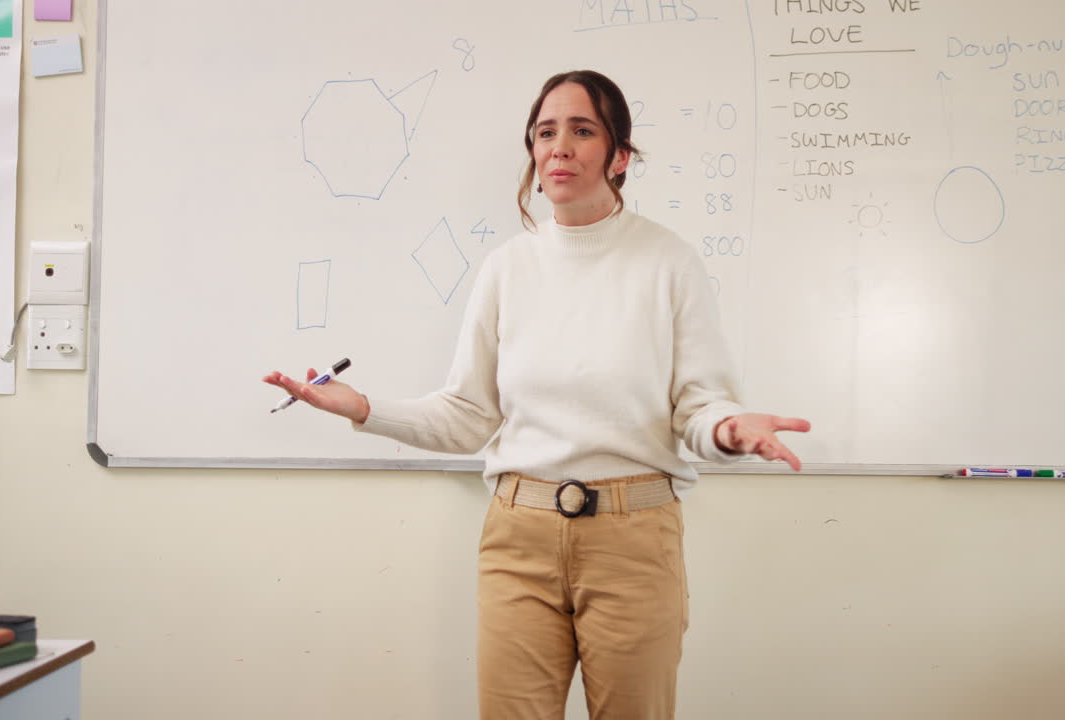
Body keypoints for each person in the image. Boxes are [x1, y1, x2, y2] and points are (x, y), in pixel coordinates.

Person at [263, 69, 810, 720]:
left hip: (634, 541)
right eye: (546, 132)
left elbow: (699, 407)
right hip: (518, 538)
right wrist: (362, 408)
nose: (560, 147)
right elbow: (468, 417)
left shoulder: (669, 263)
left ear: (620, 155)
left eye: (582, 131)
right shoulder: (506, 269)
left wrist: (727, 429)